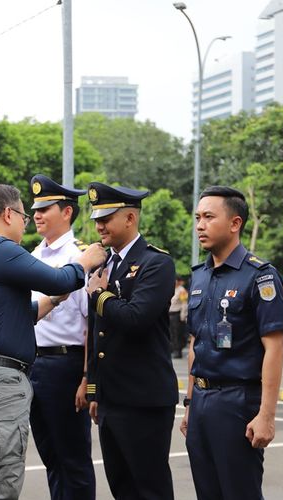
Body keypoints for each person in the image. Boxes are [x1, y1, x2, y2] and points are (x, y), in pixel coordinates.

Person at [0, 184, 106, 500]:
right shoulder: (1, 250)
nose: (28, 221)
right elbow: (63, 279)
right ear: (8, 214)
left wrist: (55, 300)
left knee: (0, 473)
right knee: (0, 484)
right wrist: (85, 261)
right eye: (25, 214)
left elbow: (21, 312)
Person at [180, 186, 283, 500]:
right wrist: (189, 404)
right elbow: (195, 342)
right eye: (198, 217)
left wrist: (267, 414)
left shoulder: (260, 276)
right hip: (200, 401)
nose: (200, 225)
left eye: (209, 217)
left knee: (239, 492)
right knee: (207, 493)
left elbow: (275, 347)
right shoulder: (199, 276)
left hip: (237, 401)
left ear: (235, 223)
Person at [84, 182, 178, 500]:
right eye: (97, 218)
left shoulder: (157, 263)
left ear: (130, 218)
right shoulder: (104, 264)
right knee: (121, 486)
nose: (99, 225)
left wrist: (99, 294)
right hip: (111, 399)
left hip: (143, 400)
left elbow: (137, 318)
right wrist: (95, 389)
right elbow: (97, 333)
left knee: (149, 488)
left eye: (107, 217)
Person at [27, 174, 96, 500]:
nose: (37, 214)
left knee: (74, 459)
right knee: (50, 456)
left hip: (67, 367)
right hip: (34, 364)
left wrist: (86, 378)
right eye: (35, 209)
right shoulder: (32, 257)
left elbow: (90, 325)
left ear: (67, 212)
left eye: (45, 208)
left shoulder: (82, 258)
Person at [169, 277, 189, 358]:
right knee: (171, 333)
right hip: (170, 314)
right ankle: (172, 349)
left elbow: (184, 303)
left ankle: (178, 351)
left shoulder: (181, 290)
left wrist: (183, 315)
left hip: (177, 314)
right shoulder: (171, 288)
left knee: (177, 333)